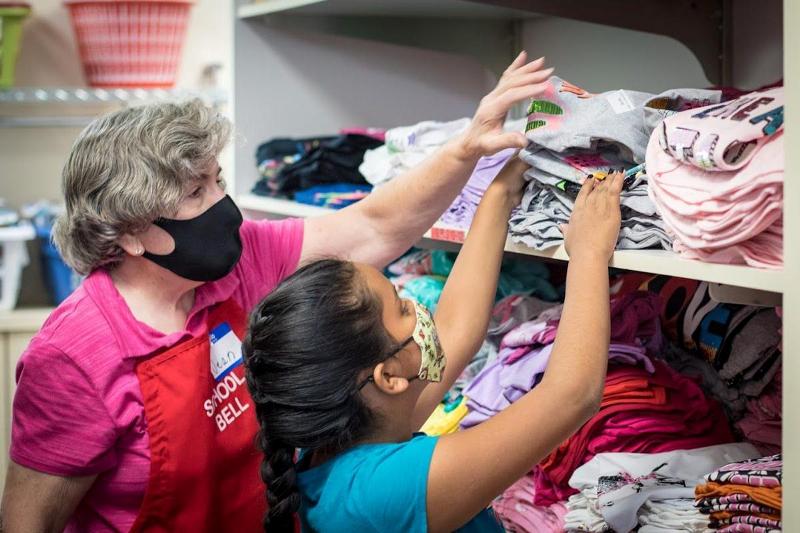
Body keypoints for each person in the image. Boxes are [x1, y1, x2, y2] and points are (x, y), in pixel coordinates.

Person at [0, 53, 552, 532]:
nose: (226, 205)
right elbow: (31, 522)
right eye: (197, 192)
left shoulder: (238, 265)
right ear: (131, 231)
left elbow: (375, 227)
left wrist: (467, 149)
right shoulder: (72, 358)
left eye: (218, 178)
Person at [242, 161, 624, 532]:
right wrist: (589, 253)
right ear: (389, 375)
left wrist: (500, 193)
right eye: (403, 306)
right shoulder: (379, 492)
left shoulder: (349, 437)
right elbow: (571, 395)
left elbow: (456, 328)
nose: (421, 307)